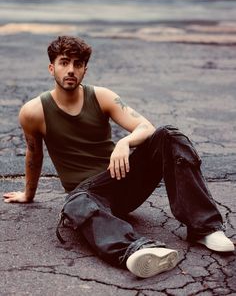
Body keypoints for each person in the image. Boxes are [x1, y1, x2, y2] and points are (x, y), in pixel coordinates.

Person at [3, 36, 234, 279]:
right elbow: (34, 154)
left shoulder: (101, 97)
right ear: (52, 68)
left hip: (121, 182)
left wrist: (125, 142)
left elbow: (146, 127)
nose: (71, 69)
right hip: (88, 195)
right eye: (64, 62)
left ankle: (205, 228)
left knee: (169, 135)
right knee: (74, 202)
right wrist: (28, 195)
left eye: (78, 64)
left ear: (84, 70)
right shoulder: (33, 112)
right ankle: (137, 250)